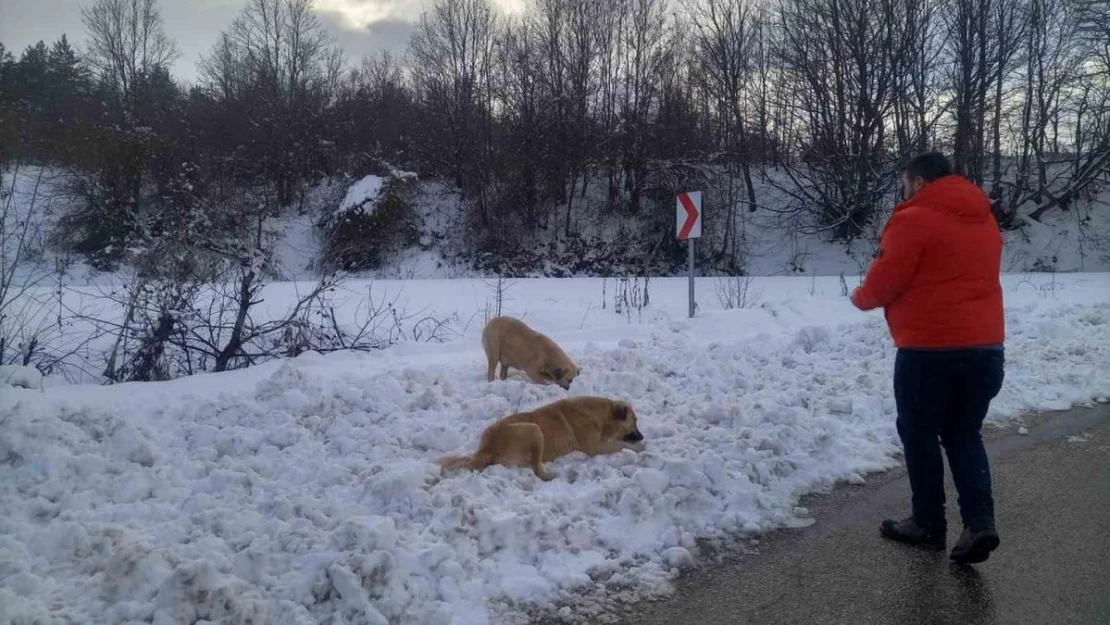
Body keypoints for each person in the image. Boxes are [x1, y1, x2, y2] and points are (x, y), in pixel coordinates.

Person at [851, 152, 1005, 564]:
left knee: (919, 434)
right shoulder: (985, 219)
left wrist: (861, 297)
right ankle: (979, 522)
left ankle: (927, 523)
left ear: (919, 182)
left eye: (906, 182)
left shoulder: (914, 218)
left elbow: (883, 282)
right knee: (963, 434)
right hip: (986, 348)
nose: (904, 190)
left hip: (929, 351)